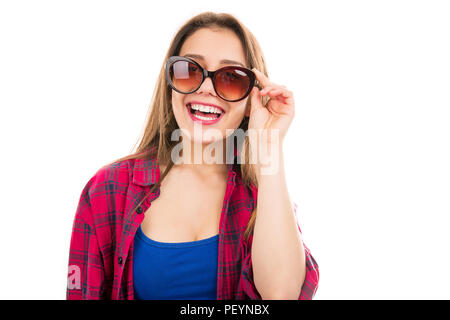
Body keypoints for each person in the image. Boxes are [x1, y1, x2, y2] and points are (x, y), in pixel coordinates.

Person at [66, 11, 319, 300]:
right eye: (190, 71)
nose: (206, 88)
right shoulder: (107, 190)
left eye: (231, 78)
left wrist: (269, 145)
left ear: (252, 99)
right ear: (170, 82)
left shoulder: (265, 195)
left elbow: (282, 295)